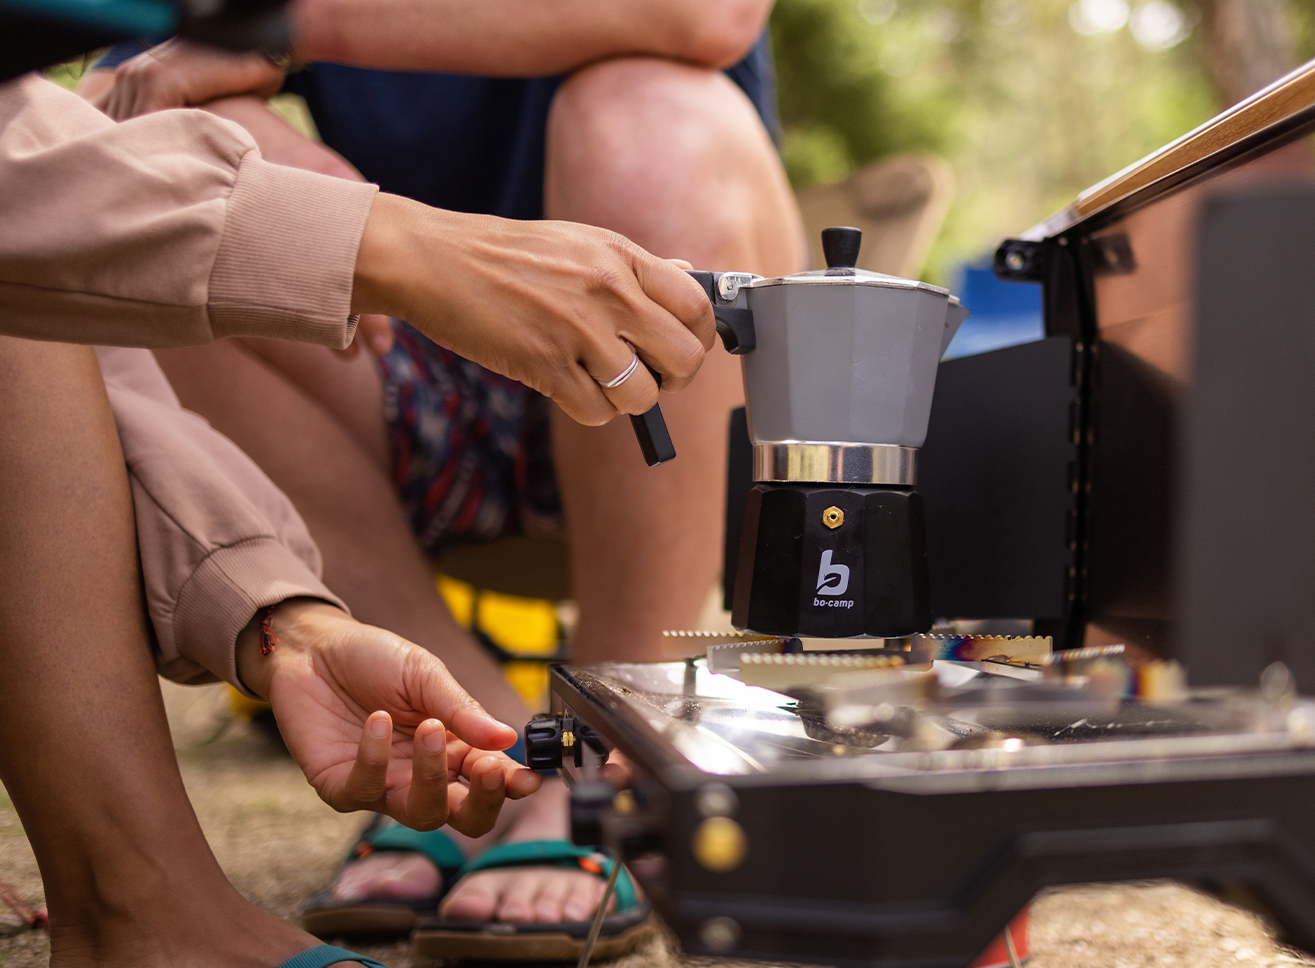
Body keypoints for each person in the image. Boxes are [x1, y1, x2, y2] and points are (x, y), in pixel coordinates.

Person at [79, 0, 806, 951]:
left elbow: (702, 15)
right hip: (406, 368)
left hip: (686, 363)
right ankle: (485, 746)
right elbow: (113, 107)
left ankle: (617, 747)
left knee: (650, 116)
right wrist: (299, 208)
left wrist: (289, 23)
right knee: (172, 168)